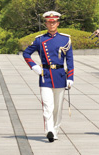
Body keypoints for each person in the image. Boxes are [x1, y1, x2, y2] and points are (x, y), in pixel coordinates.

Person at [23, 11, 74, 143]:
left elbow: (70, 60)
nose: (52, 24)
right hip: (45, 76)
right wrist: (35, 68)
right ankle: (49, 130)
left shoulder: (65, 39)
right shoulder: (40, 39)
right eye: (49, 22)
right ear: (45, 23)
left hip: (60, 76)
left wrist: (70, 77)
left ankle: (55, 129)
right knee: (47, 105)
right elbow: (26, 53)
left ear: (58, 23)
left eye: (54, 22)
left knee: (57, 107)